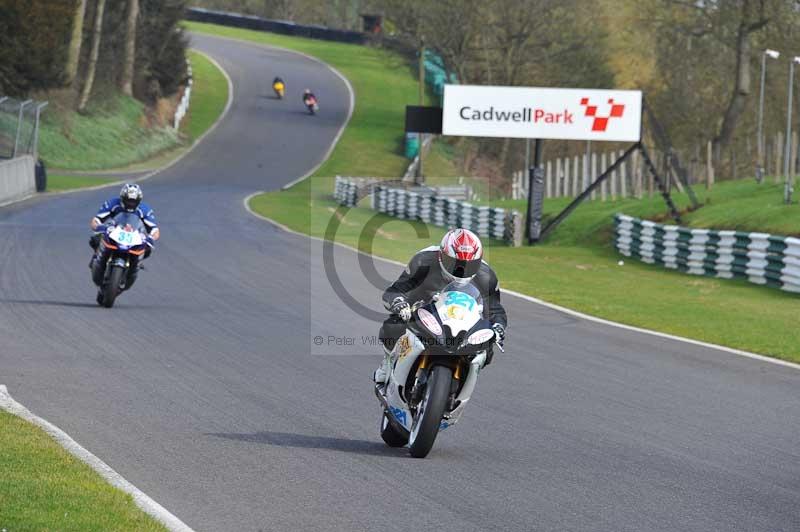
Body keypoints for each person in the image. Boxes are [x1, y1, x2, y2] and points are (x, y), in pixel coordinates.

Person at [373, 228, 507, 384]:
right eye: (455, 264)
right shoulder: (423, 262)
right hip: (423, 311)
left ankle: (463, 380)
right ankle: (388, 364)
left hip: (462, 321)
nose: (461, 271)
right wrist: (399, 303)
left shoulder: (487, 277)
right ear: (441, 256)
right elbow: (395, 291)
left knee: (488, 347)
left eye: (468, 266)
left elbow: (496, 309)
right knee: (394, 325)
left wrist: (498, 327)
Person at [89, 183, 159, 289]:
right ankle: (96, 257)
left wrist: (151, 237)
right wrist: (100, 227)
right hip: (114, 232)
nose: (130, 204)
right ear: (122, 198)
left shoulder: (145, 209)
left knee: (148, 248)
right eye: (128, 201)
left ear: (139, 201)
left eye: (133, 201)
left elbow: (155, 230)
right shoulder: (112, 203)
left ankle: (136, 264)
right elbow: (95, 220)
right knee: (95, 239)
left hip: (133, 235)